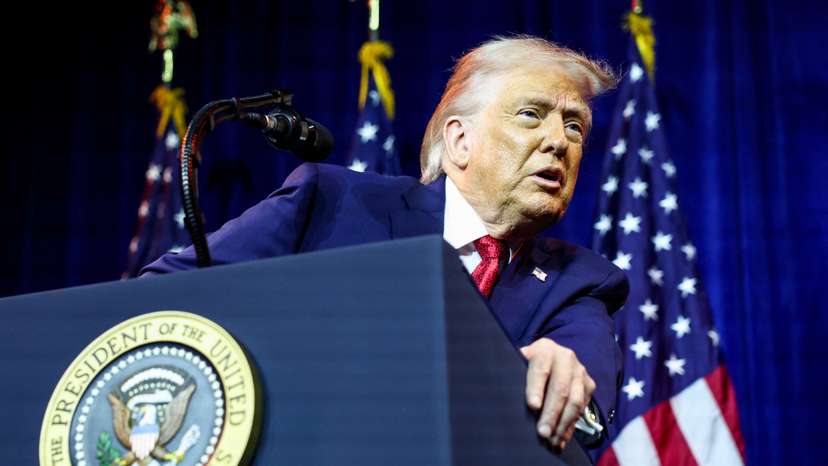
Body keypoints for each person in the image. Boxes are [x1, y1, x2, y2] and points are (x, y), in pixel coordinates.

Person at [142, 35, 627, 454]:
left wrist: (562, 377)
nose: (559, 142)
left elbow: (585, 400)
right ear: (460, 140)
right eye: (531, 114)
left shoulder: (581, 282)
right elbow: (162, 295)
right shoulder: (332, 202)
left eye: (574, 126)